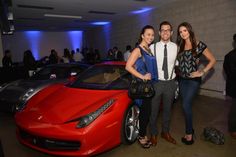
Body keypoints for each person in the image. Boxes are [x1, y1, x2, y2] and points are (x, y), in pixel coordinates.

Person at [176, 22, 216, 145]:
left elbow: (213, 60)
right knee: (184, 105)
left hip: (193, 80)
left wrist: (202, 71)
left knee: (186, 105)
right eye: (180, 32)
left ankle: (189, 133)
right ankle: (190, 130)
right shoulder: (180, 46)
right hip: (182, 80)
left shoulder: (198, 44)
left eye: (185, 31)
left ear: (189, 31)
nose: (183, 33)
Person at [126, 25, 158, 148]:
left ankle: (142, 134)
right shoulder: (138, 50)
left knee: (146, 112)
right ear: (142, 35)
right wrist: (142, 76)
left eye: (152, 35)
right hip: (142, 86)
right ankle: (141, 136)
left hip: (149, 86)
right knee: (145, 112)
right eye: (148, 34)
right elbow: (128, 66)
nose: (150, 37)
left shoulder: (148, 49)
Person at [149, 21, 178, 146]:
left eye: (168, 30)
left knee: (167, 110)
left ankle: (165, 132)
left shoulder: (176, 47)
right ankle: (153, 133)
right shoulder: (152, 47)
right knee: (154, 110)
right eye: (163, 30)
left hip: (171, 83)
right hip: (157, 83)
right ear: (159, 32)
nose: (165, 32)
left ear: (171, 32)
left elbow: (176, 63)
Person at [223, 34, 236, 139]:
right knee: (234, 109)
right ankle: (233, 129)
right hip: (234, 87)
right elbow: (230, 72)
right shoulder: (230, 56)